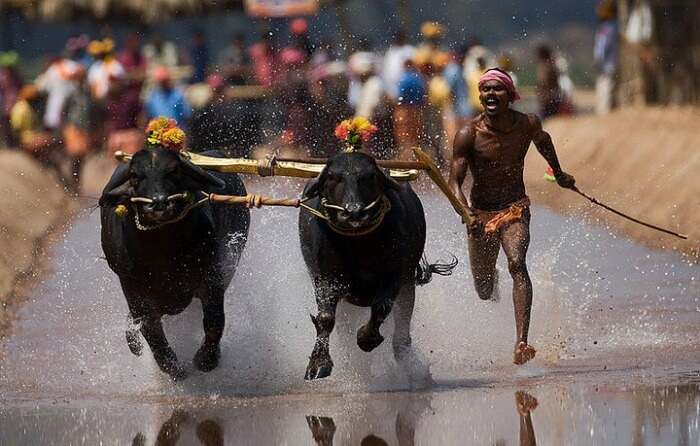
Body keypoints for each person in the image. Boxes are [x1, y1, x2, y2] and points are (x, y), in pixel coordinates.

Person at [448, 68, 576, 365]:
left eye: (497, 89)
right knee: (483, 289)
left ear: (510, 95)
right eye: (485, 90)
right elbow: (454, 181)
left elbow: (544, 142)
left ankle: (521, 343)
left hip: (515, 208)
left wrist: (558, 174)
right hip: (480, 216)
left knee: (517, 263)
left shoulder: (527, 124)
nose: (490, 95)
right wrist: (466, 212)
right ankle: (489, 281)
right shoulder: (468, 134)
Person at [594, 0, 619, 114]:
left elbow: (602, 46)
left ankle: (604, 112)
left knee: (605, 87)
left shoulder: (607, 27)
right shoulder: (614, 26)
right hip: (610, 63)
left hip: (606, 64)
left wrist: (598, 59)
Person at [534, 45, 562, 119]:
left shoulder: (544, 66)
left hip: (547, 99)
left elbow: (543, 82)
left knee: (547, 122)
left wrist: (539, 92)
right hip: (552, 97)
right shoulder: (552, 65)